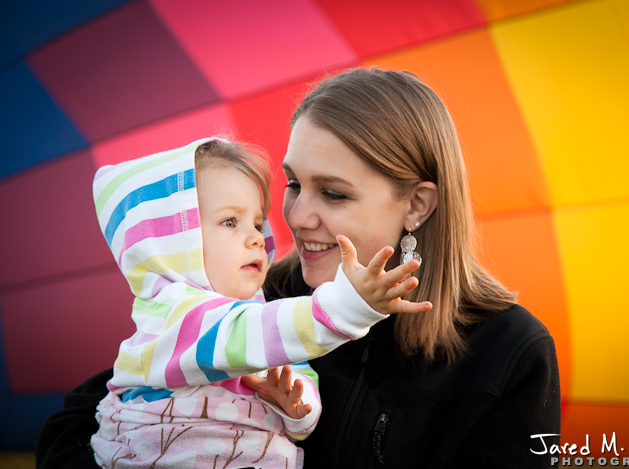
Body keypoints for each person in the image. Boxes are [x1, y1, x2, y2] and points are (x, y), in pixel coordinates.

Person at [36, 68, 560, 469]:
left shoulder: (509, 352)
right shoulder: (253, 294)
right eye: (293, 184)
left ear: (417, 206)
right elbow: (80, 420)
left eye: (332, 193)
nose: (297, 216)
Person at [87, 136, 429, 468]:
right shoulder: (171, 314)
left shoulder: (259, 315)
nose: (255, 238)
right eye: (229, 222)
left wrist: (295, 405)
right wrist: (344, 307)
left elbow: (293, 366)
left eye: (256, 222)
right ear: (169, 244)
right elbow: (248, 335)